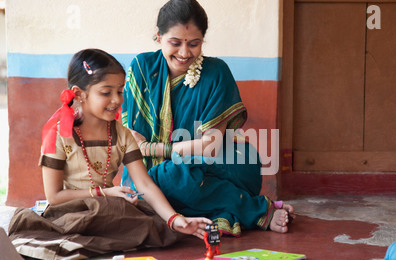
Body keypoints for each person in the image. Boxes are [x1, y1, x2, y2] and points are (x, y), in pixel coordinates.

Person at [8, 48, 211, 260]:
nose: (117, 100)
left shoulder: (123, 134)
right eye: (106, 93)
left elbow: (145, 184)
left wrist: (174, 219)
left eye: (120, 91)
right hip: (72, 212)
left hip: (111, 209)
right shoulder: (58, 135)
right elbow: (54, 197)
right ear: (79, 94)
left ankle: (85, 243)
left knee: (151, 222)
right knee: (108, 213)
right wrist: (105, 193)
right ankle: (91, 240)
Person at [121, 0, 295, 237]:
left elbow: (210, 147)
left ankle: (182, 203)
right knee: (172, 179)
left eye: (194, 44)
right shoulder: (141, 68)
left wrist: (151, 148)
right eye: (175, 43)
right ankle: (255, 209)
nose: (184, 53)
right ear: (158, 36)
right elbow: (129, 138)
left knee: (231, 162)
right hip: (150, 175)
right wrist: (150, 154)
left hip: (211, 167)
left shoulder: (216, 72)